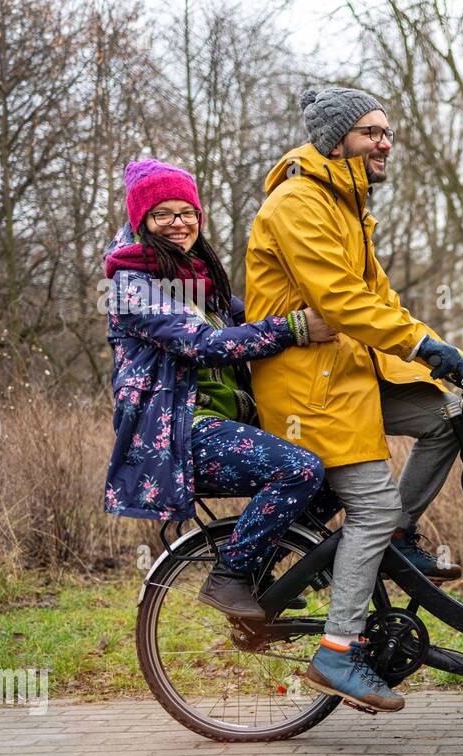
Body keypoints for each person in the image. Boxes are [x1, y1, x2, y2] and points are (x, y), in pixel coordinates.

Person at [244, 86, 463, 713]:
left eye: (387, 132)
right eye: (372, 132)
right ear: (337, 138)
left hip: (348, 373)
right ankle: (338, 652)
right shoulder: (298, 203)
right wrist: (425, 348)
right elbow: (342, 302)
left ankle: (398, 533)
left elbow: (378, 301)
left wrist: (437, 349)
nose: (385, 142)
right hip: (307, 386)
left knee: (449, 414)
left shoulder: (347, 207)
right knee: (370, 509)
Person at [103, 158, 338, 619]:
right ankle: (230, 574)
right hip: (178, 434)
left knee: (334, 475)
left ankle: (261, 575)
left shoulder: (199, 279)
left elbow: (248, 322)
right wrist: (295, 328)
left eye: (187, 212)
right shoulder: (130, 286)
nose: (179, 223)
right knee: (300, 469)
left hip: (220, 425)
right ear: (142, 221)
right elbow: (202, 344)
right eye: (163, 214)